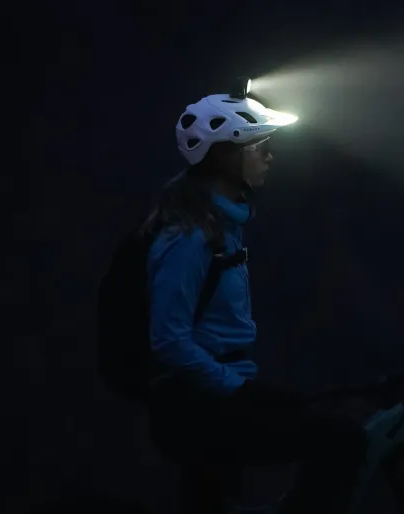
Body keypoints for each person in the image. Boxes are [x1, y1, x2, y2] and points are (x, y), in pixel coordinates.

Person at [143, 92, 368, 514]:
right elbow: (169, 340)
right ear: (224, 157)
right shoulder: (189, 239)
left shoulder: (221, 226)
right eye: (258, 145)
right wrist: (241, 391)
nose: (269, 155)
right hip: (198, 407)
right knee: (342, 441)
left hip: (216, 398)